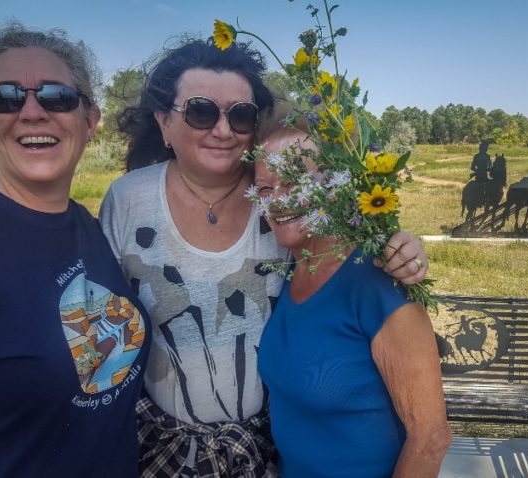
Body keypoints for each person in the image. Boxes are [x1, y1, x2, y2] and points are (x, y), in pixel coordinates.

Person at [99, 38, 429, 477]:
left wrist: (402, 245)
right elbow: (106, 325)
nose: (222, 130)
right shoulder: (128, 200)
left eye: (240, 115)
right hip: (161, 446)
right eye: (200, 111)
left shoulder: (281, 203)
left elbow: (353, 254)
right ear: (163, 122)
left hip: (267, 449)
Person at [0, 22, 149, 477]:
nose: (32, 112)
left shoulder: (89, 227)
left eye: (57, 96)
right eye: (6, 97)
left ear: (89, 120)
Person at [254, 127, 451, 477]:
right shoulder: (286, 270)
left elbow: (431, 438)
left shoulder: (378, 280)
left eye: (295, 182)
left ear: (332, 184)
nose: (278, 200)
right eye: (266, 188)